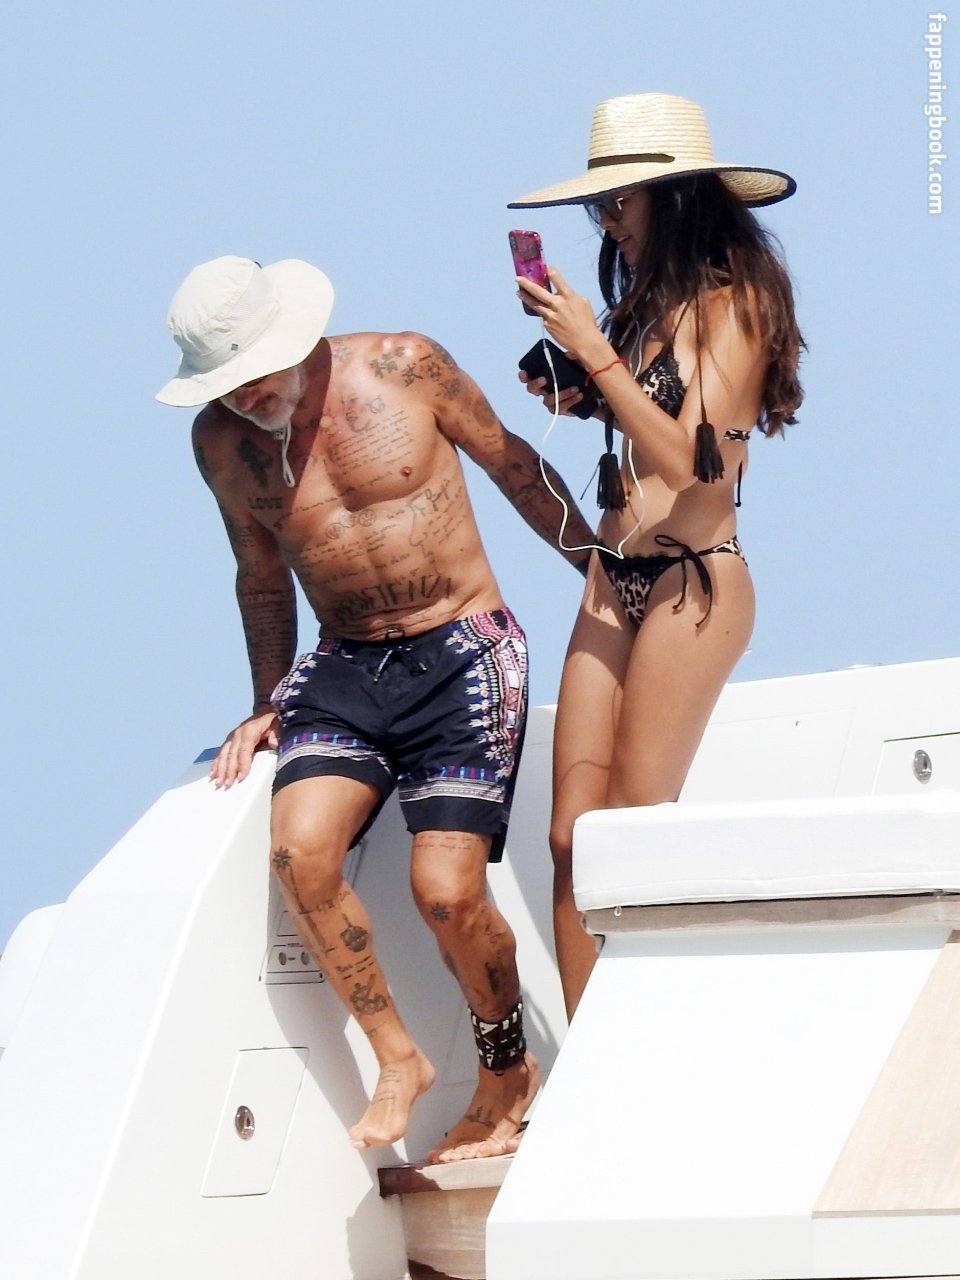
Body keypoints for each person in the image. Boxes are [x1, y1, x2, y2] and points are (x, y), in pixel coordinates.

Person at [155, 255, 595, 1160]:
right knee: (298, 853)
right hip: (346, 662)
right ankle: (399, 1058)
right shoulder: (220, 443)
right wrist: (265, 700)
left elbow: (512, 463)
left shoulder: (403, 364)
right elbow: (259, 574)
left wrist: (602, 569)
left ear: (295, 337)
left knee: (445, 894)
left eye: (258, 372)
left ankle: (507, 1072)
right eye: (228, 385)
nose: (248, 396)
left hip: (463, 647)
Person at [509, 93, 804, 1018]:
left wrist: (594, 355)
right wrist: (581, 388)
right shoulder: (644, 312)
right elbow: (643, 432)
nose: (605, 222)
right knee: (569, 838)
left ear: (672, 199)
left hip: (694, 584)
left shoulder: (737, 307)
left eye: (617, 202)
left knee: (631, 838)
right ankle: (587, 1056)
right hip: (615, 578)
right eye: (597, 206)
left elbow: (692, 464)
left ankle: (646, 1040)